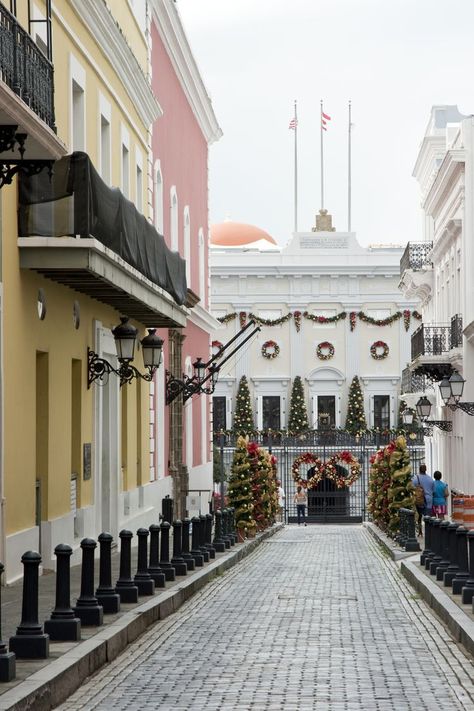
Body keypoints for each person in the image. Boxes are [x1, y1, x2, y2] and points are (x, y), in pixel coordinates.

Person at [412, 463, 435, 535]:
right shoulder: (430, 479)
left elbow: (412, 487)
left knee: (419, 515)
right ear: (426, 470)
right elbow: (433, 491)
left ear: (419, 470)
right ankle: (429, 532)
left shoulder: (416, 478)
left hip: (420, 499)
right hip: (429, 500)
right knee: (428, 516)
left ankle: (420, 531)